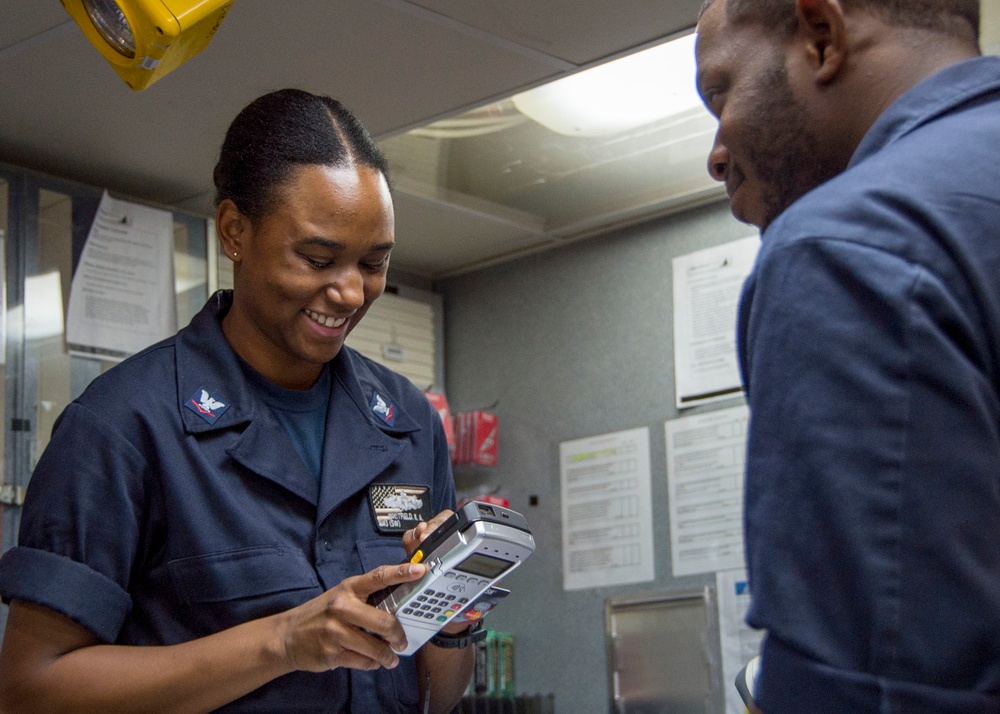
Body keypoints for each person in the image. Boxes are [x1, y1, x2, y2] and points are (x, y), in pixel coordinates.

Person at [0, 88, 474, 713]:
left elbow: (433, 695)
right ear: (233, 232)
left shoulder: (407, 424)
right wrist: (281, 641)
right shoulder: (124, 425)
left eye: (373, 262)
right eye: (317, 258)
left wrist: (454, 616)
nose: (351, 292)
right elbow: (31, 691)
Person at [695, 0, 1000, 711]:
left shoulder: (848, 247)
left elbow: (876, 682)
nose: (715, 153)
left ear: (822, 35)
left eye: (721, 94)